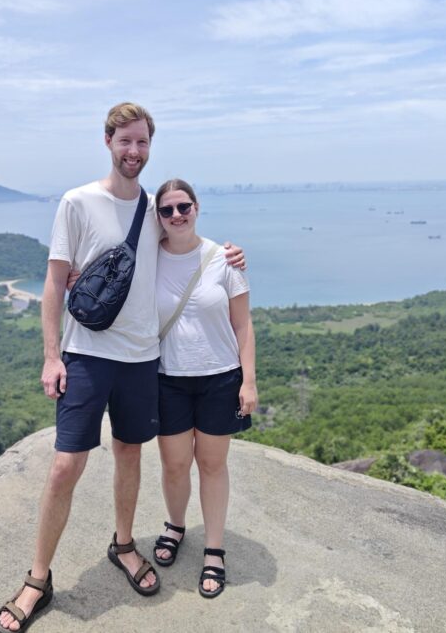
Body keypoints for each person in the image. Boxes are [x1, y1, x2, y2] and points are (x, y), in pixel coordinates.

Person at [0, 104, 244, 632]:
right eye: (125, 141)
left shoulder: (155, 209)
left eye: (142, 143)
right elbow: (55, 283)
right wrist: (51, 355)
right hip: (86, 353)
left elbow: (184, 243)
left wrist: (229, 254)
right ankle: (38, 579)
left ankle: (124, 545)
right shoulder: (79, 202)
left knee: (130, 453)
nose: (134, 152)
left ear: (150, 147)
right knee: (66, 464)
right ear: (107, 140)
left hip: (141, 359)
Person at [150, 178, 257, 599]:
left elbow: (243, 325)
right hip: (167, 379)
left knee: (213, 465)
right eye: (167, 210)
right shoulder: (148, 261)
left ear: (196, 208)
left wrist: (248, 382)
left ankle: (214, 550)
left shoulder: (224, 260)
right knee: (175, 464)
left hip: (219, 377)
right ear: (157, 217)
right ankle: (175, 527)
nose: (177, 215)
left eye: (184, 206)